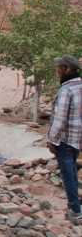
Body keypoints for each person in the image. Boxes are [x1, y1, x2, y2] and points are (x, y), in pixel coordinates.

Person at [48, 55, 82, 224]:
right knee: (73, 172)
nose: (57, 71)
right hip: (78, 139)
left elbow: (60, 120)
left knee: (68, 174)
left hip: (65, 140)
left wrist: (52, 140)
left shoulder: (66, 90)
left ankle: (76, 212)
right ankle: (76, 206)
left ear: (67, 70)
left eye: (59, 68)